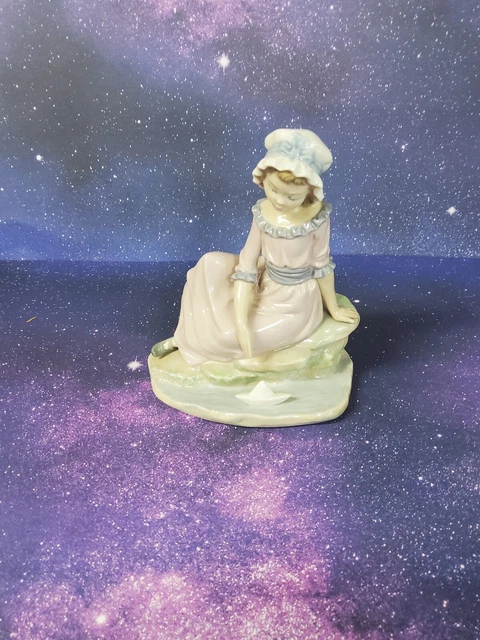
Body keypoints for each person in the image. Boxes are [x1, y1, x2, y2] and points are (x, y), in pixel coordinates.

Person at [152, 128, 358, 367]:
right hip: (264, 280)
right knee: (210, 263)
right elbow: (247, 265)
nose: (279, 201)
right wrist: (241, 321)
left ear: (310, 192)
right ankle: (185, 336)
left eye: (292, 197)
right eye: (273, 189)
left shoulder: (317, 218)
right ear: (263, 180)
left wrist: (333, 307)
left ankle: (193, 343)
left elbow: (322, 265)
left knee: (229, 337)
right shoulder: (262, 213)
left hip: (294, 303)